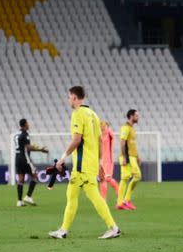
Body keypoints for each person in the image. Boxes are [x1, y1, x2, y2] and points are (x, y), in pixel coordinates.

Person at [49, 86, 121, 239]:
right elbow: (100, 142)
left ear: (75, 98)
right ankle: (63, 230)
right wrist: (100, 163)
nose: (68, 99)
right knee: (72, 193)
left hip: (82, 165)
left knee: (92, 196)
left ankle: (113, 227)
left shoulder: (77, 114)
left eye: (69, 97)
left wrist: (62, 158)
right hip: (91, 164)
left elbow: (77, 140)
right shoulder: (94, 115)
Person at [13, 118, 48, 207]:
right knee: (35, 177)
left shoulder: (16, 135)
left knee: (21, 180)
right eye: (28, 123)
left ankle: (19, 201)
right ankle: (28, 196)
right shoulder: (25, 134)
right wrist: (40, 149)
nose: (29, 125)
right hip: (25, 159)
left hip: (17, 158)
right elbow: (28, 147)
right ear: (25, 125)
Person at [117, 109, 140, 210]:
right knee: (137, 176)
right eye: (136, 115)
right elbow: (122, 142)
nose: (138, 117)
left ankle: (120, 202)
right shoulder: (125, 128)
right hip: (128, 157)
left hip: (132, 156)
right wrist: (124, 157)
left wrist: (137, 156)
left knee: (125, 178)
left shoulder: (131, 128)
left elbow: (132, 144)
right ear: (131, 116)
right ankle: (125, 200)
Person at [99, 121, 120, 203]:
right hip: (101, 161)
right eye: (102, 125)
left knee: (107, 178)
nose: (103, 127)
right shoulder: (100, 135)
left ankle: (117, 194)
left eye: (104, 125)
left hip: (108, 160)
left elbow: (111, 134)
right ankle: (104, 199)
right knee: (103, 179)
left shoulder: (109, 134)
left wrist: (107, 127)